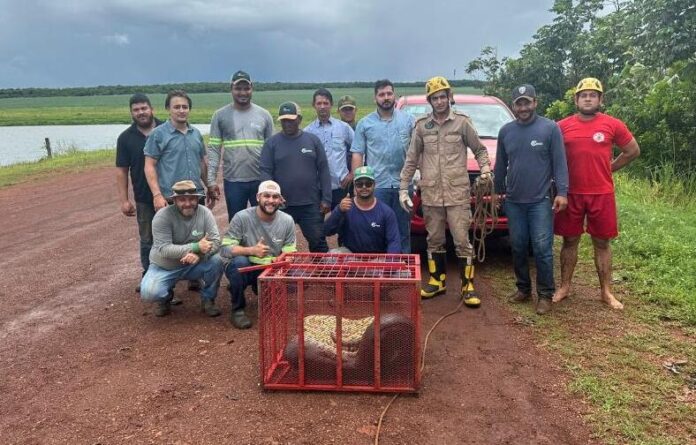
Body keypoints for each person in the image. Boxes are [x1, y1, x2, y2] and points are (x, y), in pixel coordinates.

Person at [400, 76, 491, 307]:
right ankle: (437, 281)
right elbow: (411, 159)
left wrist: (486, 170)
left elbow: (480, 150)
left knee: (462, 240)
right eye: (435, 98)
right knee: (434, 240)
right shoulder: (422, 126)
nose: (440, 101)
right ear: (429, 101)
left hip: (457, 194)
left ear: (449, 97)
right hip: (431, 194)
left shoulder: (462, 123)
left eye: (443, 97)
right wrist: (403, 188)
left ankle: (467, 285)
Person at [553, 77, 640, 310]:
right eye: (584, 95)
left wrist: (609, 167)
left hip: (601, 193)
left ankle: (606, 292)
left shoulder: (613, 124)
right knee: (569, 240)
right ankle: (564, 287)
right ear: (576, 99)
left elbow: (632, 150)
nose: (588, 98)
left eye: (593, 95)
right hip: (570, 193)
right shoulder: (561, 126)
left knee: (602, 242)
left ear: (600, 99)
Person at [494, 84, 569, 315]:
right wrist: (498, 192)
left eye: (527, 102)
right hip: (514, 200)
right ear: (513, 105)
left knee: (542, 248)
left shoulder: (550, 128)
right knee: (517, 246)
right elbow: (500, 165)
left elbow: (560, 163)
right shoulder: (506, 131)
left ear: (535, 103)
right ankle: (523, 289)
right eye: (519, 103)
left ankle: (545, 294)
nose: (523, 107)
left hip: (540, 201)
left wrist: (562, 192)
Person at [139, 180, 223, 317]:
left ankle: (208, 299)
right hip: (165, 266)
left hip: (195, 263)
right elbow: (164, 249)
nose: (188, 203)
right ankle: (165, 298)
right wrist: (196, 247)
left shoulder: (205, 213)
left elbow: (216, 241)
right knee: (149, 293)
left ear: (197, 199)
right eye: (182, 199)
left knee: (217, 261)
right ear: (175, 200)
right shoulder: (162, 217)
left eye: (191, 199)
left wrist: (199, 255)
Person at [221, 180, 297, 329]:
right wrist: (251, 250)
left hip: (269, 267)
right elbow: (225, 248)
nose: (271, 200)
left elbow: (289, 251)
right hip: (247, 265)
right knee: (239, 263)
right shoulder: (241, 217)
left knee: (296, 281)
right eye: (266, 196)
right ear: (258, 197)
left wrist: (282, 262)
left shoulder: (287, 220)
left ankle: (260, 288)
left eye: (275, 197)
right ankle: (238, 309)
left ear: (280, 200)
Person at [352, 79, 415, 253]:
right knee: (376, 229)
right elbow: (358, 153)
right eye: (381, 94)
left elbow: (418, 152)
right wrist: (356, 185)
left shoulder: (408, 121)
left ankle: (403, 271)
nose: (386, 98)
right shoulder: (365, 124)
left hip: (403, 186)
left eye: (389, 93)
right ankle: (380, 272)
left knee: (403, 230)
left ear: (394, 95)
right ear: (375, 98)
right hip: (377, 186)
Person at [259, 101, 331, 253]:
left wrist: (326, 198)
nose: (287, 123)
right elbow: (265, 172)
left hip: (311, 204)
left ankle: (322, 275)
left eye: (291, 119)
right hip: (282, 205)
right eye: (284, 120)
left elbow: (323, 169)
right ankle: (284, 275)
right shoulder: (271, 144)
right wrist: (273, 197)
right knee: (279, 245)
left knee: (318, 242)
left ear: (299, 119)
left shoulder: (312, 140)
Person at [207, 70, 274, 221]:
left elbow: (272, 151)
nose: (242, 92)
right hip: (234, 181)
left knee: (264, 221)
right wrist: (211, 181)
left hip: (260, 179)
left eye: (246, 88)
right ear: (231, 88)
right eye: (238, 88)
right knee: (237, 223)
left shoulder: (264, 115)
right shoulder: (220, 115)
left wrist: (272, 180)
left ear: (252, 88)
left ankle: (262, 246)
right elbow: (214, 150)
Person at [115, 93, 162, 292]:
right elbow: (122, 170)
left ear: (152, 109)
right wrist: (124, 200)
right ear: (131, 113)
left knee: (179, 235)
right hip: (143, 197)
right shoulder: (125, 138)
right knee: (147, 239)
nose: (141, 112)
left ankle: (188, 274)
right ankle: (149, 275)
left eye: (144, 108)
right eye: (136, 109)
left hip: (169, 195)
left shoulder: (166, 129)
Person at [144, 89, 213, 211]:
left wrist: (209, 186)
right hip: (171, 199)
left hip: (196, 197)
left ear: (189, 109)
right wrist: (157, 195)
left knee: (199, 231)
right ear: (168, 109)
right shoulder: (158, 134)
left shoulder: (196, 134)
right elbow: (149, 166)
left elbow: (201, 163)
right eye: (176, 107)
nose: (181, 111)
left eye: (185, 107)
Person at [325, 166, 400, 254]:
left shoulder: (386, 212)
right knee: (331, 256)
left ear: (374, 184)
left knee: (401, 265)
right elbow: (327, 231)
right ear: (355, 185)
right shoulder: (345, 207)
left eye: (368, 184)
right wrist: (339, 210)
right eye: (359, 184)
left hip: (377, 259)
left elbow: (394, 242)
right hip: (351, 257)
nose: (364, 187)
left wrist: (389, 264)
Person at [304, 88, 355, 210]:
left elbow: (358, 150)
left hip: (340, 186)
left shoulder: (344, 128)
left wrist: (352, 174)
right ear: (313, 105)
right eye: (319, 103)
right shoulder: (307, 132)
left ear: (331, 105)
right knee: (319, 223)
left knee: (343, 223)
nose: (322, 107)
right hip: (318, 188)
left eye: (325, 103)